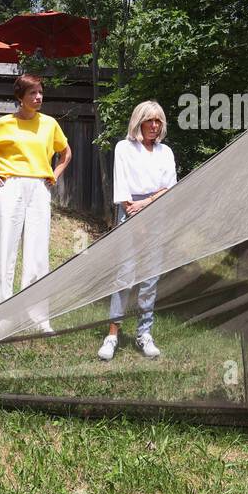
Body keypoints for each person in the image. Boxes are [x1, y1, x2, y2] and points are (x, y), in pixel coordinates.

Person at [0, 75, 72, 312]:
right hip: (11, 186)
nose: (38, 97)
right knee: (5, 248)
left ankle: (36, 315)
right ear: (20, 97)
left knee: (38, 250)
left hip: (39, 188)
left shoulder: (49, 124)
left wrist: (54, 174)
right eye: (32, 93)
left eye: (40, 92)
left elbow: (66, 153)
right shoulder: (5, 123)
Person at [98, 101, 177, 361]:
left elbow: (169, 188)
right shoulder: (124, 148)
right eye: (150, 120)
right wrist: (138, 218)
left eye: (158, 121)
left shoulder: (165, 152)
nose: (154, 126)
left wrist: (148, 203)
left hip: (158, 212)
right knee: (125, 275)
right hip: (129, 212)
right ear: (139, 121)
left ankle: (145, 333)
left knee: (150, 277)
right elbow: (122, 189)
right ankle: (112, 334)